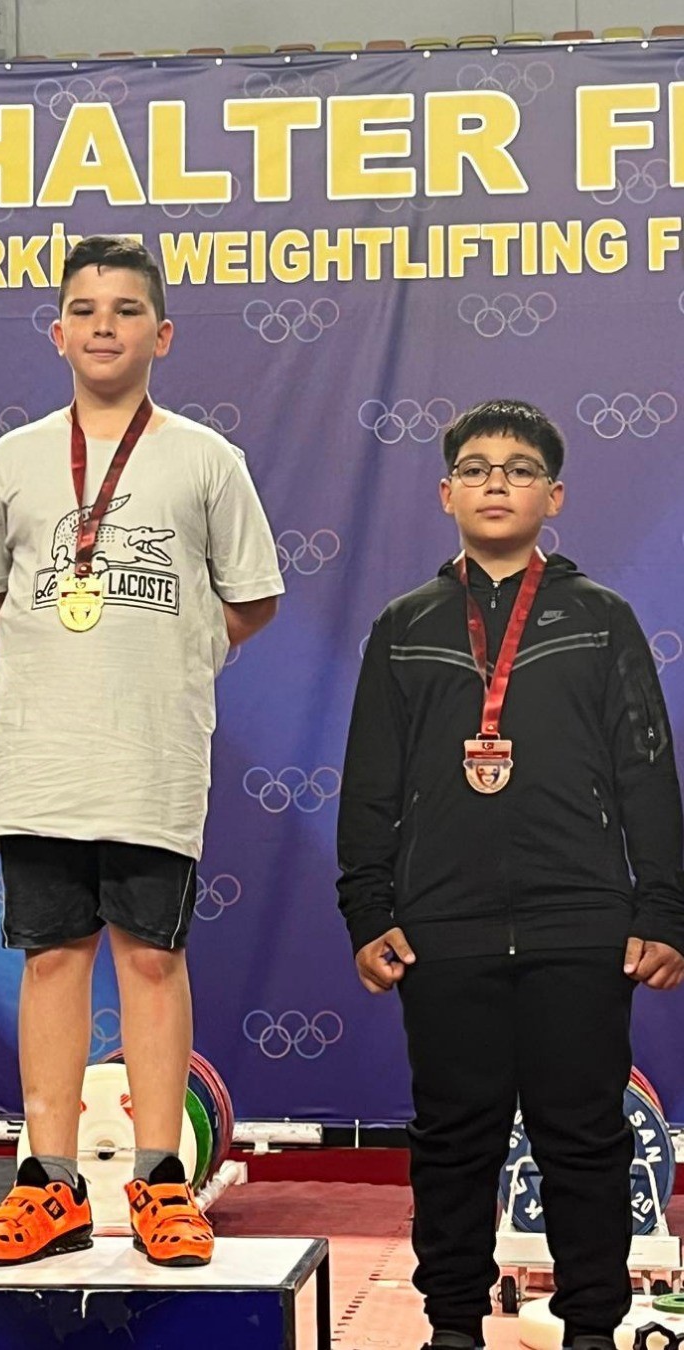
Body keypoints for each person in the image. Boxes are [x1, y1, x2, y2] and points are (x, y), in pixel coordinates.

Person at [0, 234, 282, 1267]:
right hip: (42, 760)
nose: (105, 326)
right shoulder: (13, 459)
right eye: (86, 310)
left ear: (163, 334)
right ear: (56, 332)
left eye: (127, 309)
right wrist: (67, 660)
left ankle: (160, 1180)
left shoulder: (205, 459)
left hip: (151, 757)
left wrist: (172, 656)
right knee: (53, 959)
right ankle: (48, 1185)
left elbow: (252, 598)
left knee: (152, 957)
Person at [337, 399, 684, 1350]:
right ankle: (452, 1326)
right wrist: (369, 909)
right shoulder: (405, 625)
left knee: (586, 1136)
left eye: (520, 469)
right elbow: (369, 784)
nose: (497, 483)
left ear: (553, 496)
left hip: (582, 922)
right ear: (445, 493)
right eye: (477, 468)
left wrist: (663, 908)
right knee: (454, 1137)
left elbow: (647, 773)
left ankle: (590, 1329)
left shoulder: (601, 619)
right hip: (443, 926)